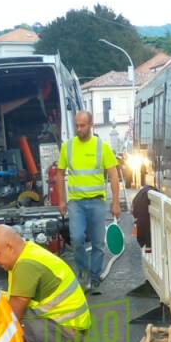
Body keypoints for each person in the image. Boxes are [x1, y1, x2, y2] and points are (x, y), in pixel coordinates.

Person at [0, 224, 91, 342]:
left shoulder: (25, 265)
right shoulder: (27, 251)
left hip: (69, 332)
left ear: (9, 247)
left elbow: (12, 315)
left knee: (8, 326)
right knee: (2, 307)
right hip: (70, 327)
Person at [56, 110, 121, 293]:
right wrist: (61, 200)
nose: (79, 129)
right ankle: (83, 274)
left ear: (91, 125)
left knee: (98, 243)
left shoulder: (102, 147)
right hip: (76, 203)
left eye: (82, 125)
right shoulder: (67, 147)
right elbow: (59, 174)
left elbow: (114, 175)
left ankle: (94, 276)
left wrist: (115, 203)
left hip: (97, 202)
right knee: (77, 239)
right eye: (76, 125)